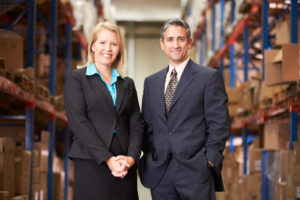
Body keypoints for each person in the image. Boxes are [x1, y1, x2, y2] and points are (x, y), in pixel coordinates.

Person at [138, 18, 231, 200]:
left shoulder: (208, 78)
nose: (175, 44)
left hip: (195, 171)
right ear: (162, 44)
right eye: (170, 39)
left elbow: (219, 122)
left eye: (180, 39)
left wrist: (209, 160)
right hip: (160, 173)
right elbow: (147, 124)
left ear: (189, 43)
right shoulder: (151, 83)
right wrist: (149, 158)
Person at [64, 21, 143, 200]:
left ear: (119, 49)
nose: (108, 48)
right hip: (91, 160)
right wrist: (108, 159)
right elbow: (78, 122)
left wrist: (130, 158)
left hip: (124, 163)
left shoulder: (127, 84)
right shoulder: (78, 79)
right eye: (102, 43)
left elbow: (136, 124)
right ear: (92, 46)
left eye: (114, 44)